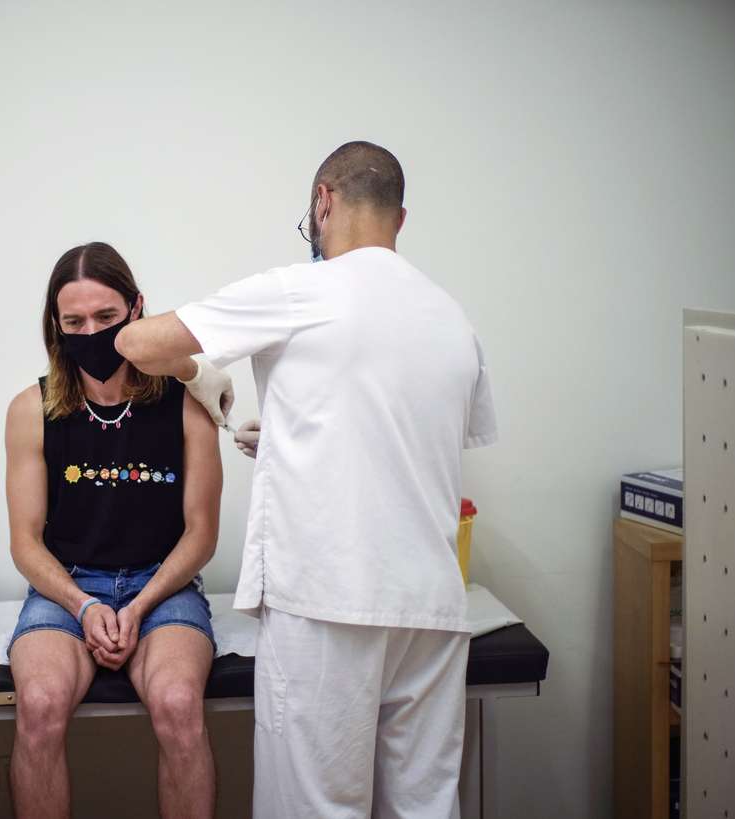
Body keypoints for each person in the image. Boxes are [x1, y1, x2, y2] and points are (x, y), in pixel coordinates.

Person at [116, 141, 498, 818]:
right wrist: (290, 437)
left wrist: (195, 370)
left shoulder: (299, 289)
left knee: (316, 808)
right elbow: (413, 441)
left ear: (323, 200)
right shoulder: (452, 318)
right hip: (431, 609)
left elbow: (136, 345)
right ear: (399, 220)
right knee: (424, 808)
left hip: (330, 603)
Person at [4, 241, 223, 819]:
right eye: (74, 322)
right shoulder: (34, 408)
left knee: (179, 704)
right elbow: (25, 541)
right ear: (55, 325)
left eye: (106, 317)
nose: (91, 333)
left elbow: (201, 533)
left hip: (163, 586)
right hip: (67, 588)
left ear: (137, 310)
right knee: (40, 703)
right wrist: (81, 605)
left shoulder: (186, 405)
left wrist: (140, 603)